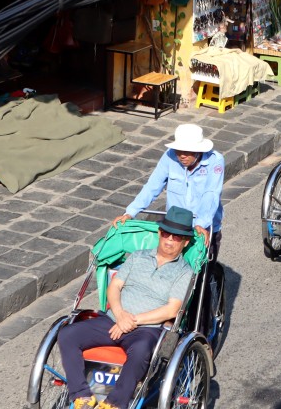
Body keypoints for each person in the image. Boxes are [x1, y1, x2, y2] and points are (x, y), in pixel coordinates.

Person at [60, 206, 197, 409]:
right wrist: (120, 314)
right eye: (166, 234)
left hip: (147, 329)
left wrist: (131, 321)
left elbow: (171, 310)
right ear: (160, 234)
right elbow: (114, 287)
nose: (169, 240)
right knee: (67, 334)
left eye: (176, 238)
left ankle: (115, 403)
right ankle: (81, 394)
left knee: (141, 350)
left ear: (185, 243)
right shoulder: (137, 256)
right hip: (113, 319)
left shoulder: (184, 272)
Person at [115, 124, 225, 251]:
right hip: (174, 225)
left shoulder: (215, 161)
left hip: (202, 225)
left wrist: (201, 223)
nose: (182, 155)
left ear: (198, 150)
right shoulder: (169, 156)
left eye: (187, 151)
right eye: (179, 150)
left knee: (202, 266)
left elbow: (211, 193)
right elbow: (152, 186)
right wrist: (130, 212)